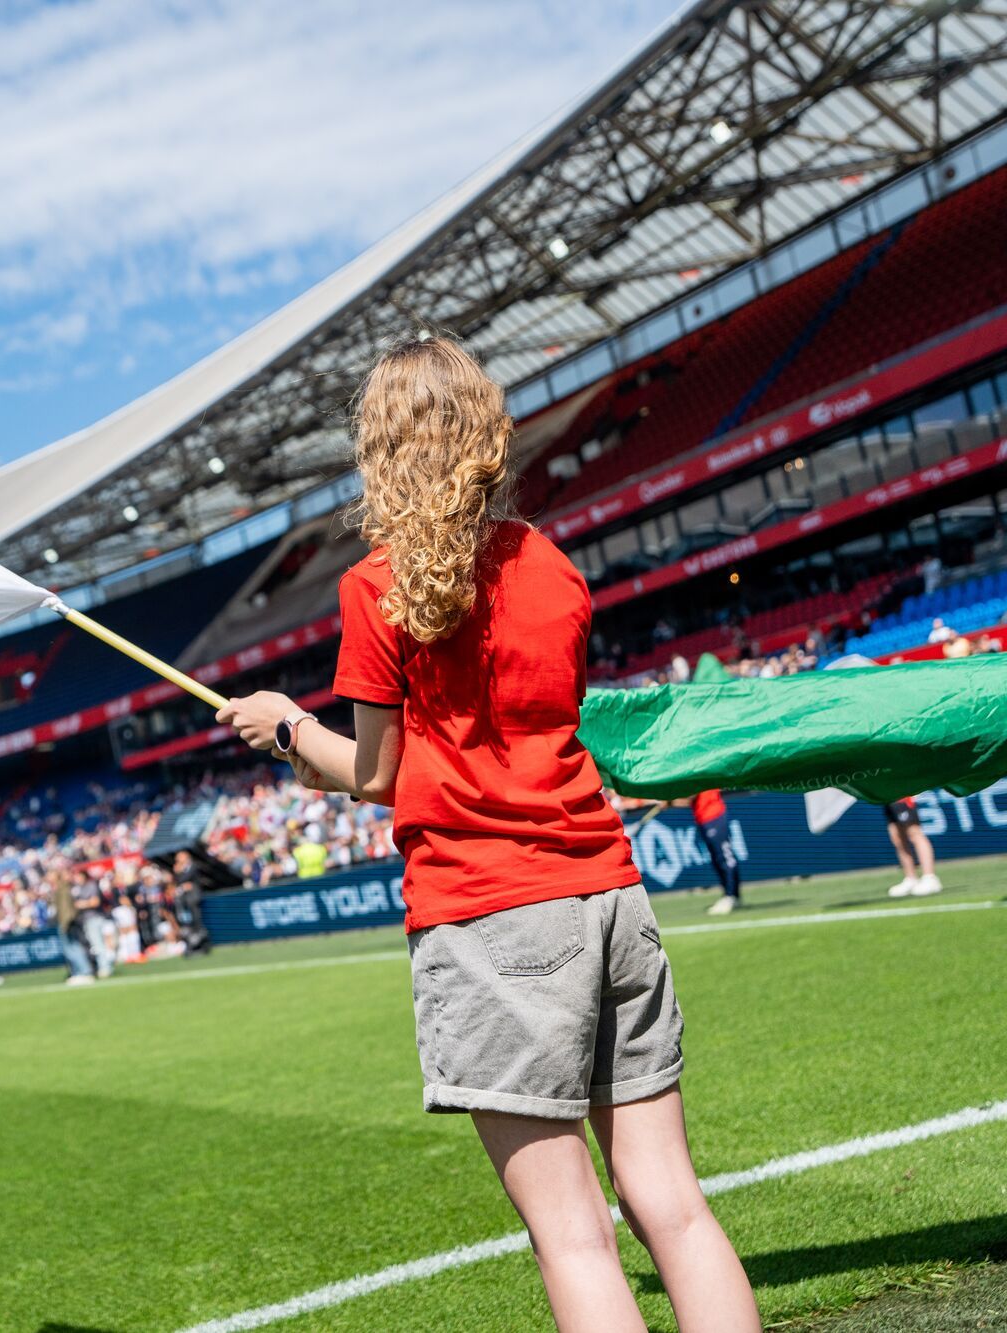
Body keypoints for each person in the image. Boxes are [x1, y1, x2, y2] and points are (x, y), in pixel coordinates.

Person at [216, 336, 757, 1333]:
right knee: (674, 1206)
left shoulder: (374, 586)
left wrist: (287, 728)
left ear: (380, 448)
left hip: (490, 912)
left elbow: (378, 775)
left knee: (573, 1235)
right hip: (607, 892)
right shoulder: (550, 564)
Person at [883, 798, 942, 897]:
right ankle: (911, 878)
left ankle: (930, 878)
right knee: (896, 835)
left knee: (914, 832)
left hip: (901, 794)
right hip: (887, 797)